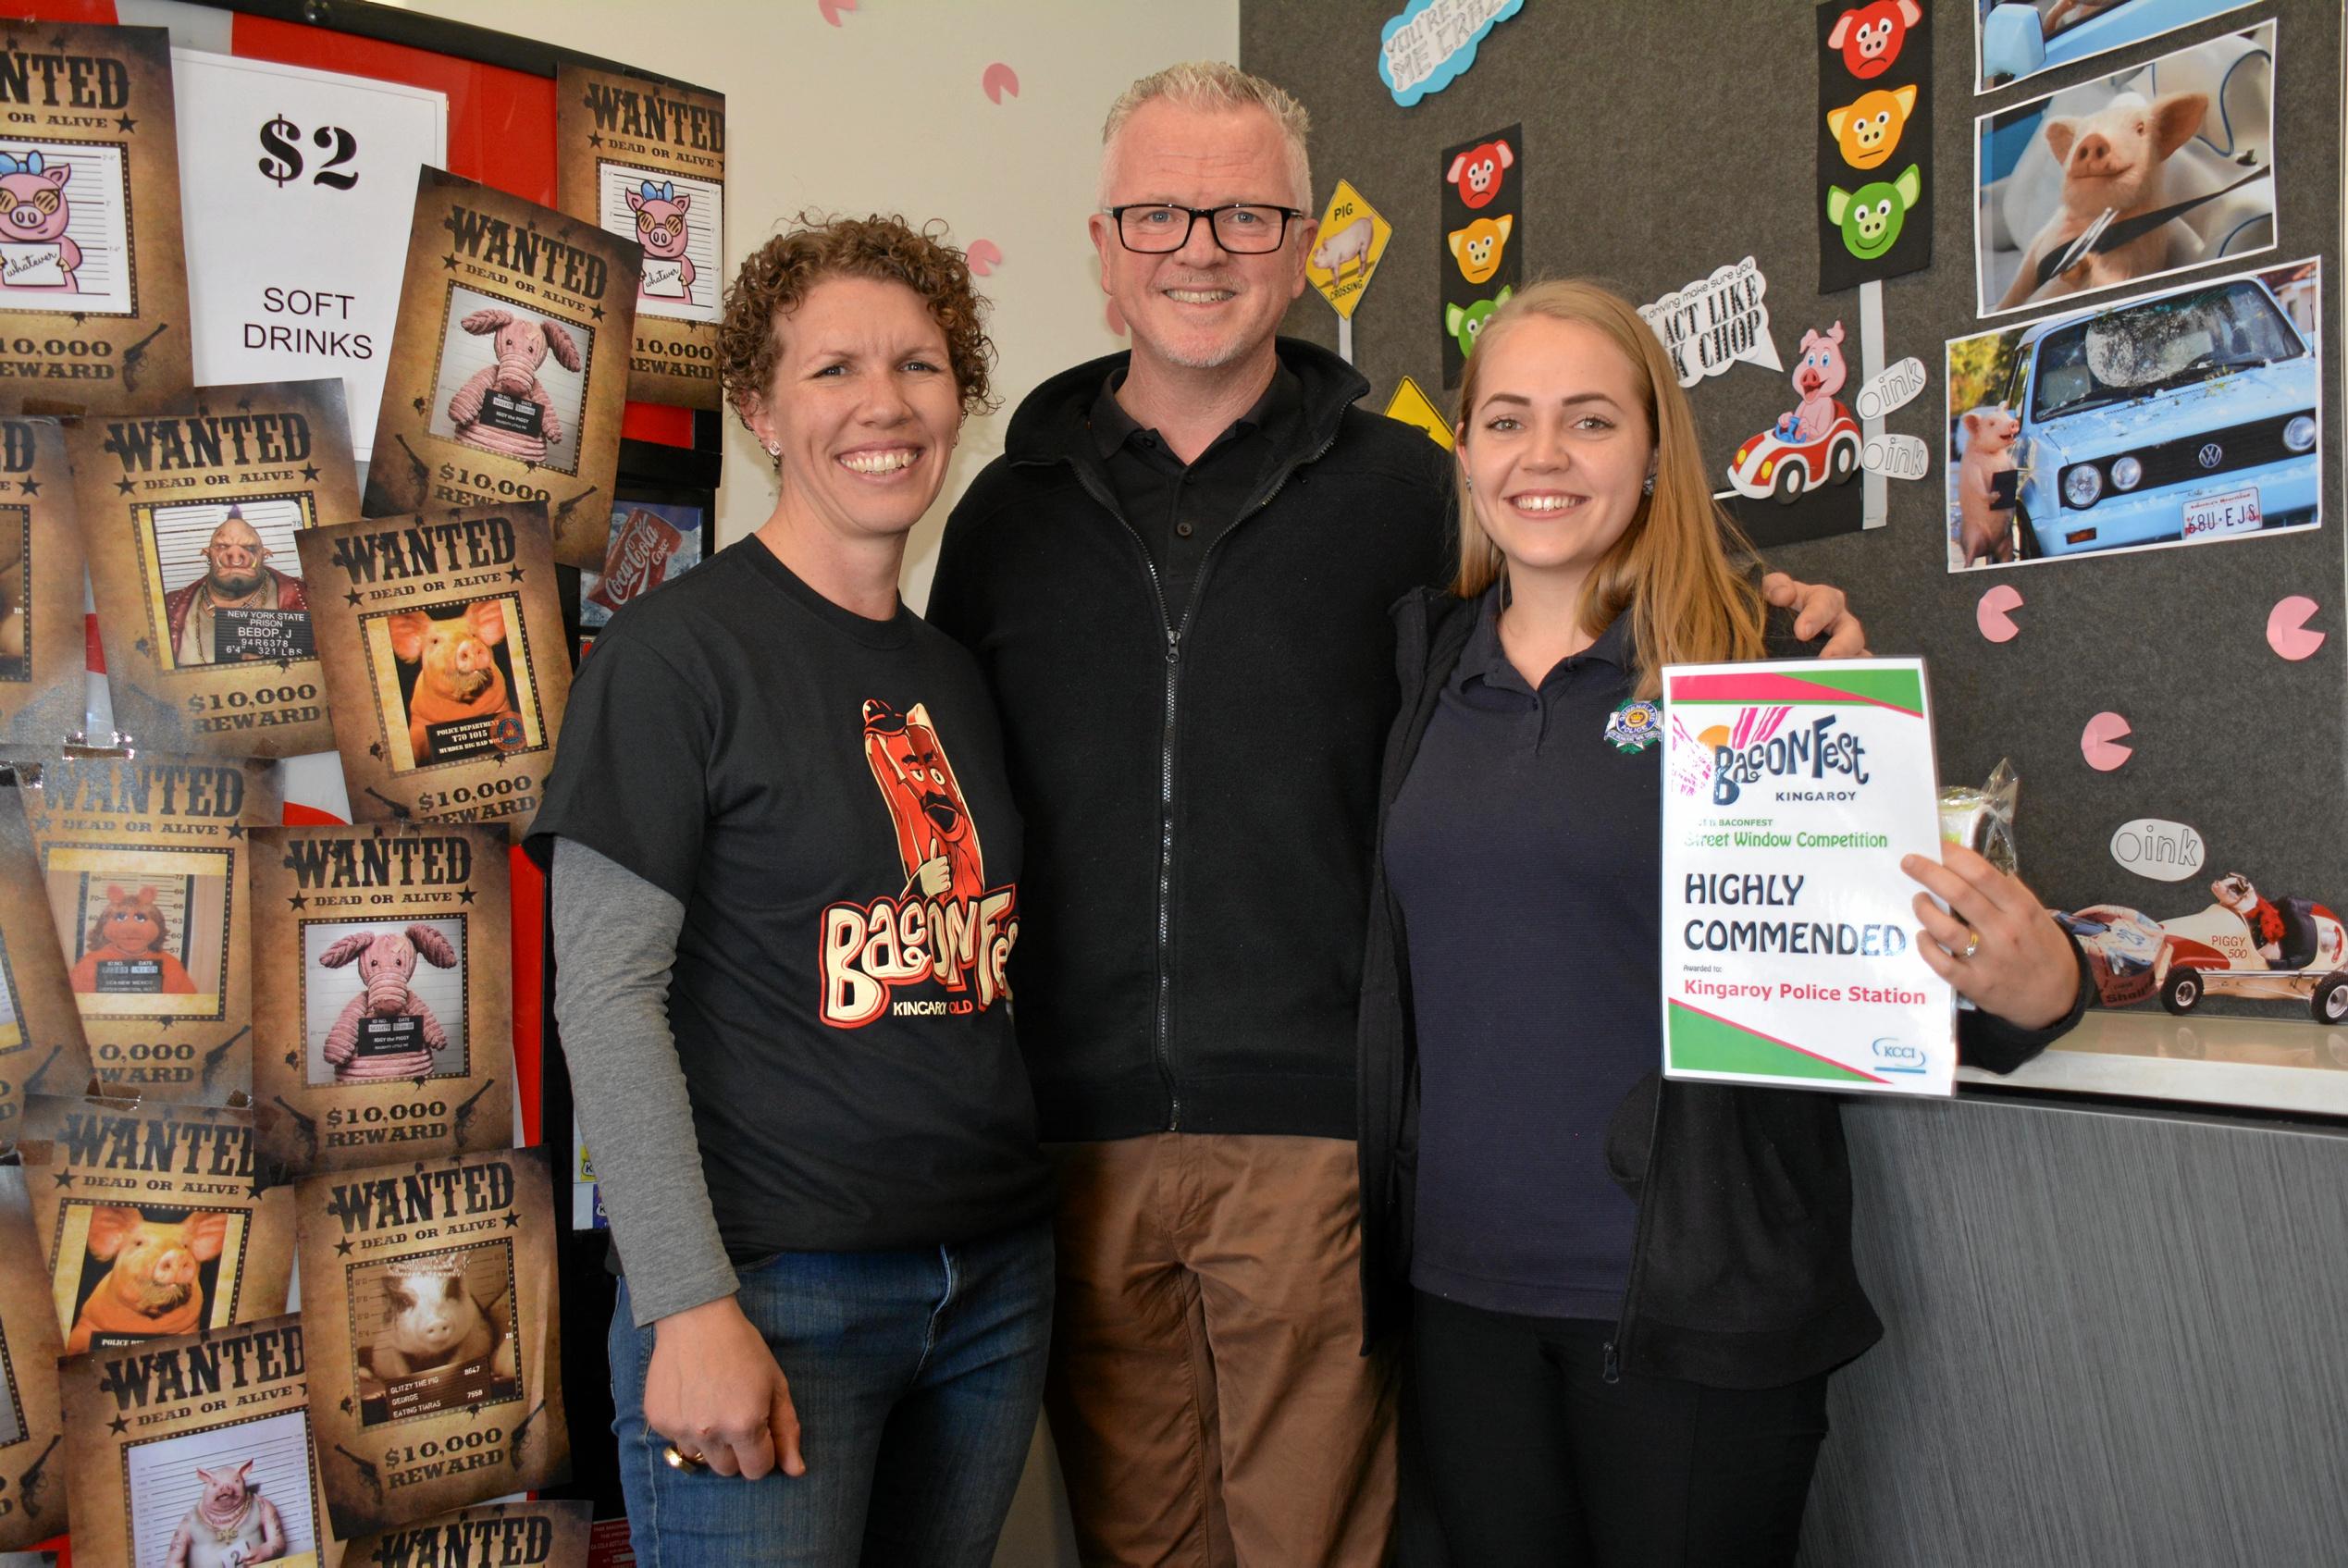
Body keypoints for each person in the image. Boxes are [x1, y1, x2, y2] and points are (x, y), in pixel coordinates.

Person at [926, 62, 1869, 1567]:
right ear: (1100, 247)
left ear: (1298, 245)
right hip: (1071, 1138)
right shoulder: (999, 516)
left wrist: (1767, 620)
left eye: (1244, 212)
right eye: (1157, 212)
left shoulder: (1413, 488)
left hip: (1324, 1143)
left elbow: (1585, 596)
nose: (1199, 247)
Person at [1355, 278, 2097, 1566]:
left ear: (1652, 453)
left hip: (1697, 1303)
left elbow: (1880, 960)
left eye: (1588, 420)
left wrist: (2042, 988)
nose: (1541, 456)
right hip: (1456, 1297)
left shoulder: (1760, 658)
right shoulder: (1422, 668)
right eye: (1505, 419)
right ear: (1463, 450)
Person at [528, 215, 1054, 1567]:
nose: (883, 404)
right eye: (833, 371)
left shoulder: (956, 674)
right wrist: (689, 1302)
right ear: (759, 408)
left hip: (989, 1284)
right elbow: (603, 990)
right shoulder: (673, 658)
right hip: (772, 1292)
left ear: (959, 398)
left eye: (920, 366)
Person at [164, 507, 305, 665]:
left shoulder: (310, 597)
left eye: (250, 548)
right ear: (207, 554)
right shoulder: (167, 607)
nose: (236, 556)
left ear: (265, 555)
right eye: (222, 547)